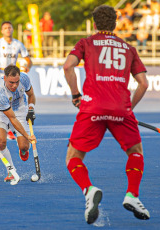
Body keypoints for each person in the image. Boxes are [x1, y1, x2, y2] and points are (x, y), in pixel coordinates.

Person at [63, 5, 150, 225]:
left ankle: (88, 190)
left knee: (73, 156)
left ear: (94, 24)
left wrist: (76, 94)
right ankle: (132, 195)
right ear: (115, 23)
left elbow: (67, 67)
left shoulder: (86, 43)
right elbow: (143, 84)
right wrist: (128, 107)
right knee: (135, 151)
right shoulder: (128, 48)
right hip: (121, 108)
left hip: (92, 107)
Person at [0, 21, 33, 140]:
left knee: (15, 102)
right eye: (5, 28)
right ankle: (7, 127)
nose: (8, 30)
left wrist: (28, 67)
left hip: (14, 78)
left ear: (12, 30)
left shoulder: (18, 44)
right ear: (2, 31)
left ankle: (14, 126)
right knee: (2, 101)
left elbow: (28, 60)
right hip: (0, 77)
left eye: (9, 28)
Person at [0, 65, 36, 183]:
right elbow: (12, 119)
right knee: (1, 142)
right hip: (0, 111)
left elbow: (31, 95)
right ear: (4, 78)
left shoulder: (24, 79)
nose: (14, 85)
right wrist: (27, 136)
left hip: (19, 108)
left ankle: (23, 147)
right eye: (11, 82)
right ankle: (11, 170)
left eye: (17, 82)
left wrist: (31, 109)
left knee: (24, 146)